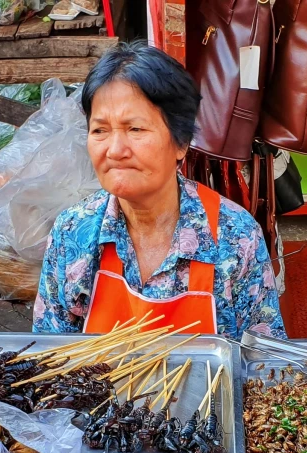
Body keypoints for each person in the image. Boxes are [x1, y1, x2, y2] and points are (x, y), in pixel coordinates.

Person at [32, 41, 286, 340]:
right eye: (100, 130)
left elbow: (263, 361)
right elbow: (50, 354)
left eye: (135, 129)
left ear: (180, 143)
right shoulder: (72, 232)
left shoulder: (236, 236)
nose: (115, 150)